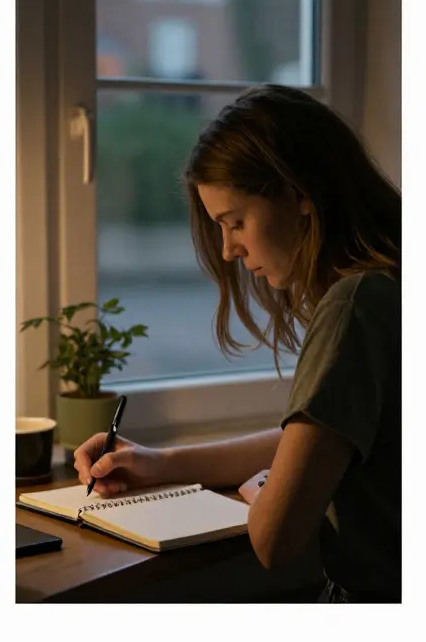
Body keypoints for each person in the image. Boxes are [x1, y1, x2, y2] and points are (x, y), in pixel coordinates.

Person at [72, 85, 400, 603]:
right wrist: (159, 462)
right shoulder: (392, 284)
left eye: (235, 222)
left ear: (300, 195)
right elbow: (317, 446)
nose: (228, 250)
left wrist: (262, 492)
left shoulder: (355, 305)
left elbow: (274, 540)